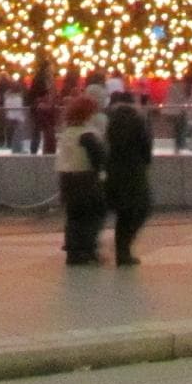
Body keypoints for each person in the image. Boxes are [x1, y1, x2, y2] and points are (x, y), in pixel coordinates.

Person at [56, 94, 108, 266]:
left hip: (66, 179)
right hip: (86, 180)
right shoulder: (87, 134)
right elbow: (99, 158)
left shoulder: (67, 133)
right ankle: (87, 250)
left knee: (73, 217)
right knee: (92, 216)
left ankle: (73, 252)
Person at [104, 93, 154, 267]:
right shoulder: (138, 120)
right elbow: (146, 146)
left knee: (123, 214)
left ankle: (121, 251)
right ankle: (124, 249)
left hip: (115, 171)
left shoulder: (110, 121)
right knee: (141, 209)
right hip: (135, 170)